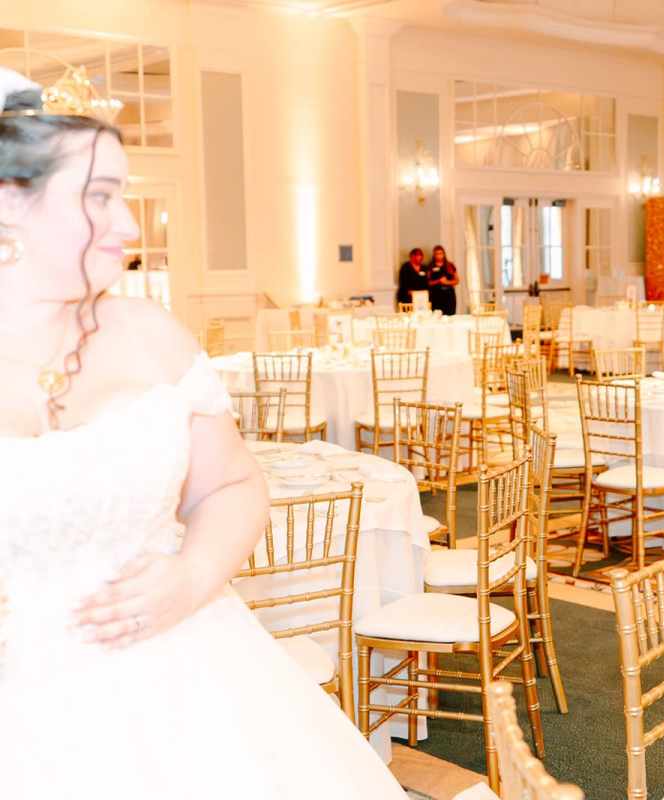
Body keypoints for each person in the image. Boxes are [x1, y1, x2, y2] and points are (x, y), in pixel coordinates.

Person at [0, 68, 407, 797]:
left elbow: (233, 483)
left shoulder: (151, 336)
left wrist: (190, 577)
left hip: (188, 674)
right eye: (99, 197)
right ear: (10, 205)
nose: (128, 225)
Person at [427, 244, 459, 315]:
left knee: (450, 315)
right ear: (434, 255)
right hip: (436, 295)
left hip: (449, 295)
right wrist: (438, 281)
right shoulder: (430, 266)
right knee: (436, 316)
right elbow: (428, 283)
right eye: (437, 254)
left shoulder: (450, 265)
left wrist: (446, 282)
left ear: (444, 254)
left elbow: (457, 280)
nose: (439, 255)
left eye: (440, 253)